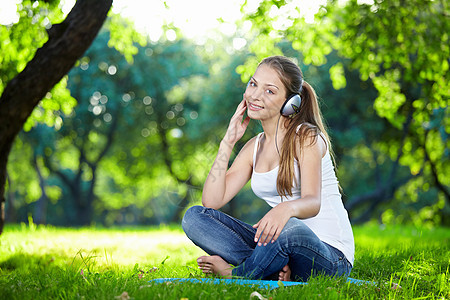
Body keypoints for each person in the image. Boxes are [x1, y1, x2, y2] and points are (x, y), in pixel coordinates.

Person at [182, 56, 354, 282]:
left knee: (288, 228)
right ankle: (274, 270)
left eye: (269, 91)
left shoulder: (306, 137)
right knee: (194, 217)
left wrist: (284, 210)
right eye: (253, 84)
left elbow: (313, 203)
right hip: (281, 246)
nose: (255, 95)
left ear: (290, 101)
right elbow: (212, 201)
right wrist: (228, 141)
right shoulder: (254, 147)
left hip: (330, 256)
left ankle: (234, 275)